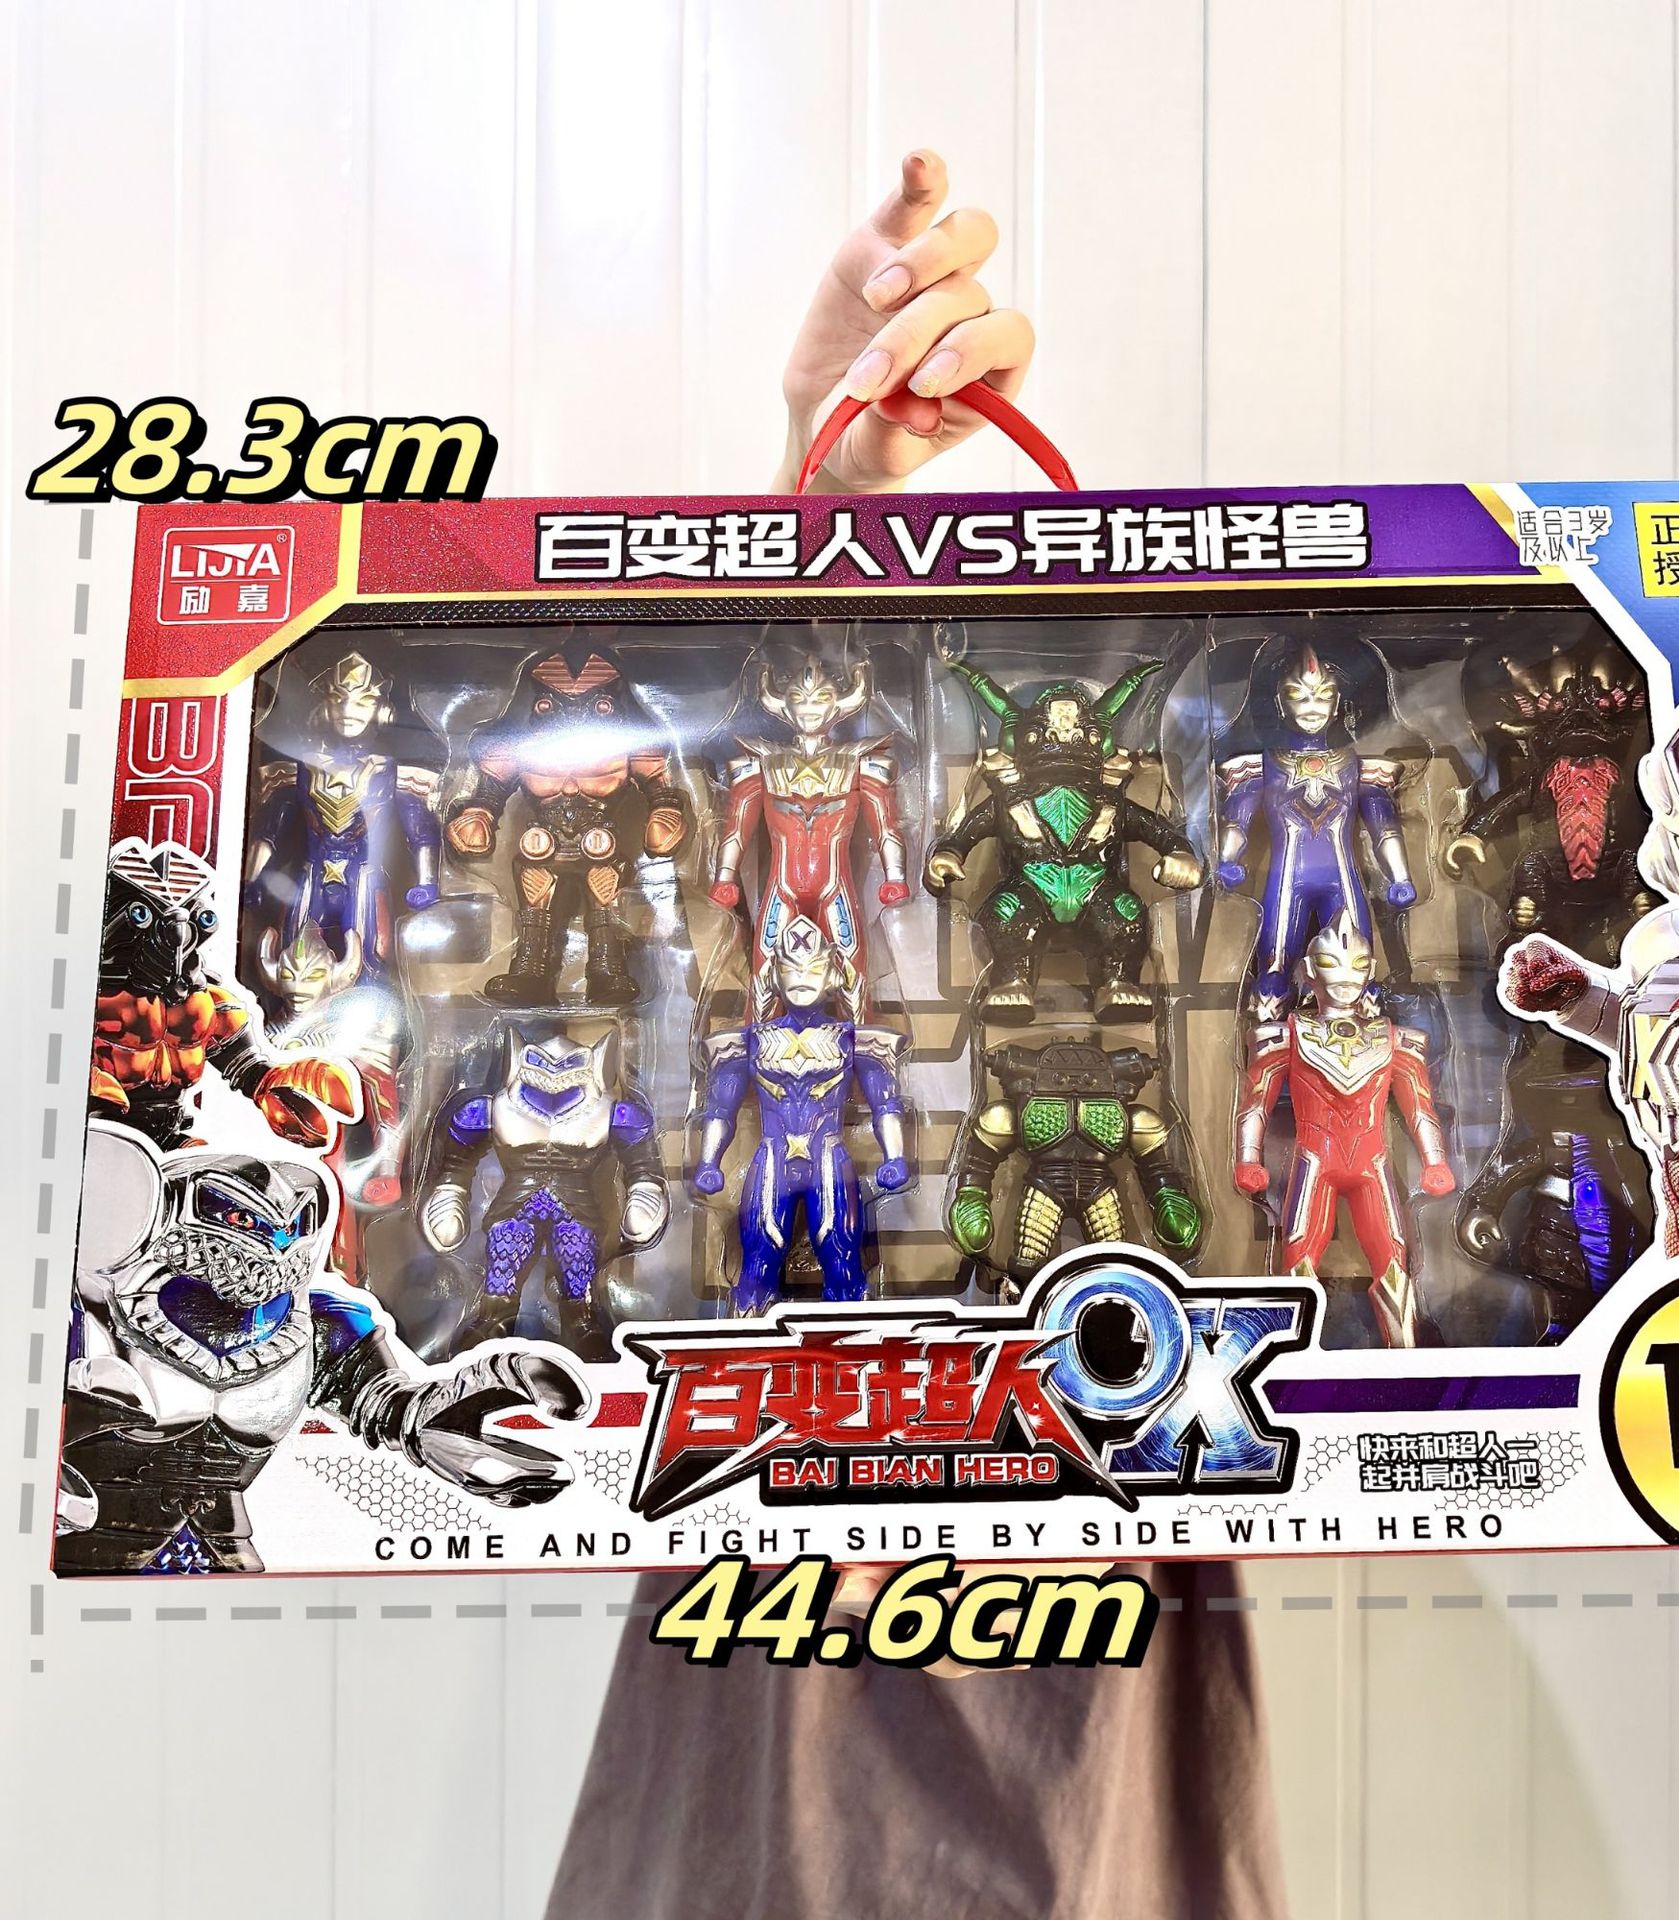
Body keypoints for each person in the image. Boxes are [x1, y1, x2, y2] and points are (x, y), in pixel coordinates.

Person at [546, 152, 1285, 1920]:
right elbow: (717, 930)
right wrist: (823, 523)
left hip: (1101, 1484)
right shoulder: (824, 856)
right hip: (794, 1493)